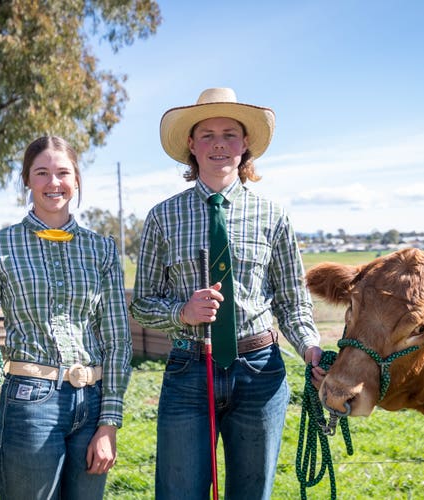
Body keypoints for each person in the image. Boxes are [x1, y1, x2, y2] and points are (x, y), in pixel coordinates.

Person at [130, 88, 325, 500]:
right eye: (207, 134)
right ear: (191, 145)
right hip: (189, 371)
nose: (219, 143)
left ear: (246, 144)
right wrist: (183, 312)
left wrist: (309, 346)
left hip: (260, 372)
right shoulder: (163, 217)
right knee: (178, 493)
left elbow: (292, 300)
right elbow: (143, 302)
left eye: (230, 134)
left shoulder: (274, 216)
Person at [0, 135, 133, 499]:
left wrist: (109, 423)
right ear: (27, 181)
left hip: (92, 403)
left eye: (63, 172)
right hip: (30, 402)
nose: (53, 182)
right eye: (41, 173)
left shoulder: (102, 248)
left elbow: (117, 339)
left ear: (76, 180)